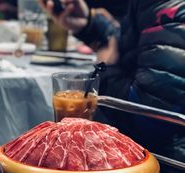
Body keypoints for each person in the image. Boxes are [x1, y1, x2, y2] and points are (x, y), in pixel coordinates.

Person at [39, 0, 185, 163]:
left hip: (167, 167)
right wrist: (89, 25)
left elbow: (153, 116)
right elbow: (130, 47)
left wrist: (108, 70)